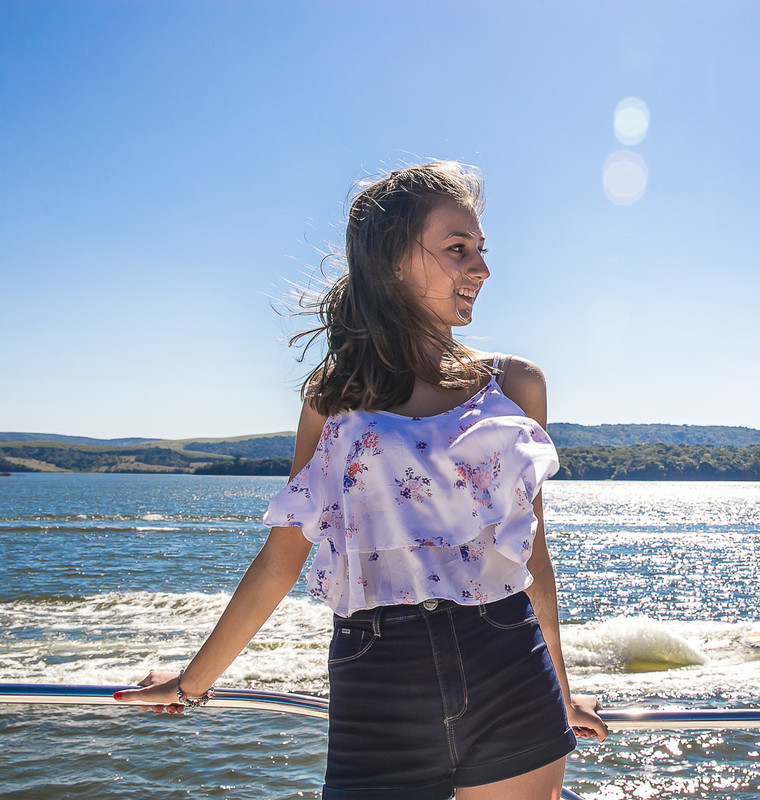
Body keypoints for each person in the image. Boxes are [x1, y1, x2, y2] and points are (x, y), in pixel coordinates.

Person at [114, 160, 608, 799]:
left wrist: (561, 692)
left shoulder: (514, 386)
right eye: (458, 249)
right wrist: (191, 683)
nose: (481, 269)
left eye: (481, 251)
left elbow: (529, 551)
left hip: (509, 665)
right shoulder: (335, 399)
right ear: (393, 260)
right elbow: (281, 558)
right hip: (378, 680)